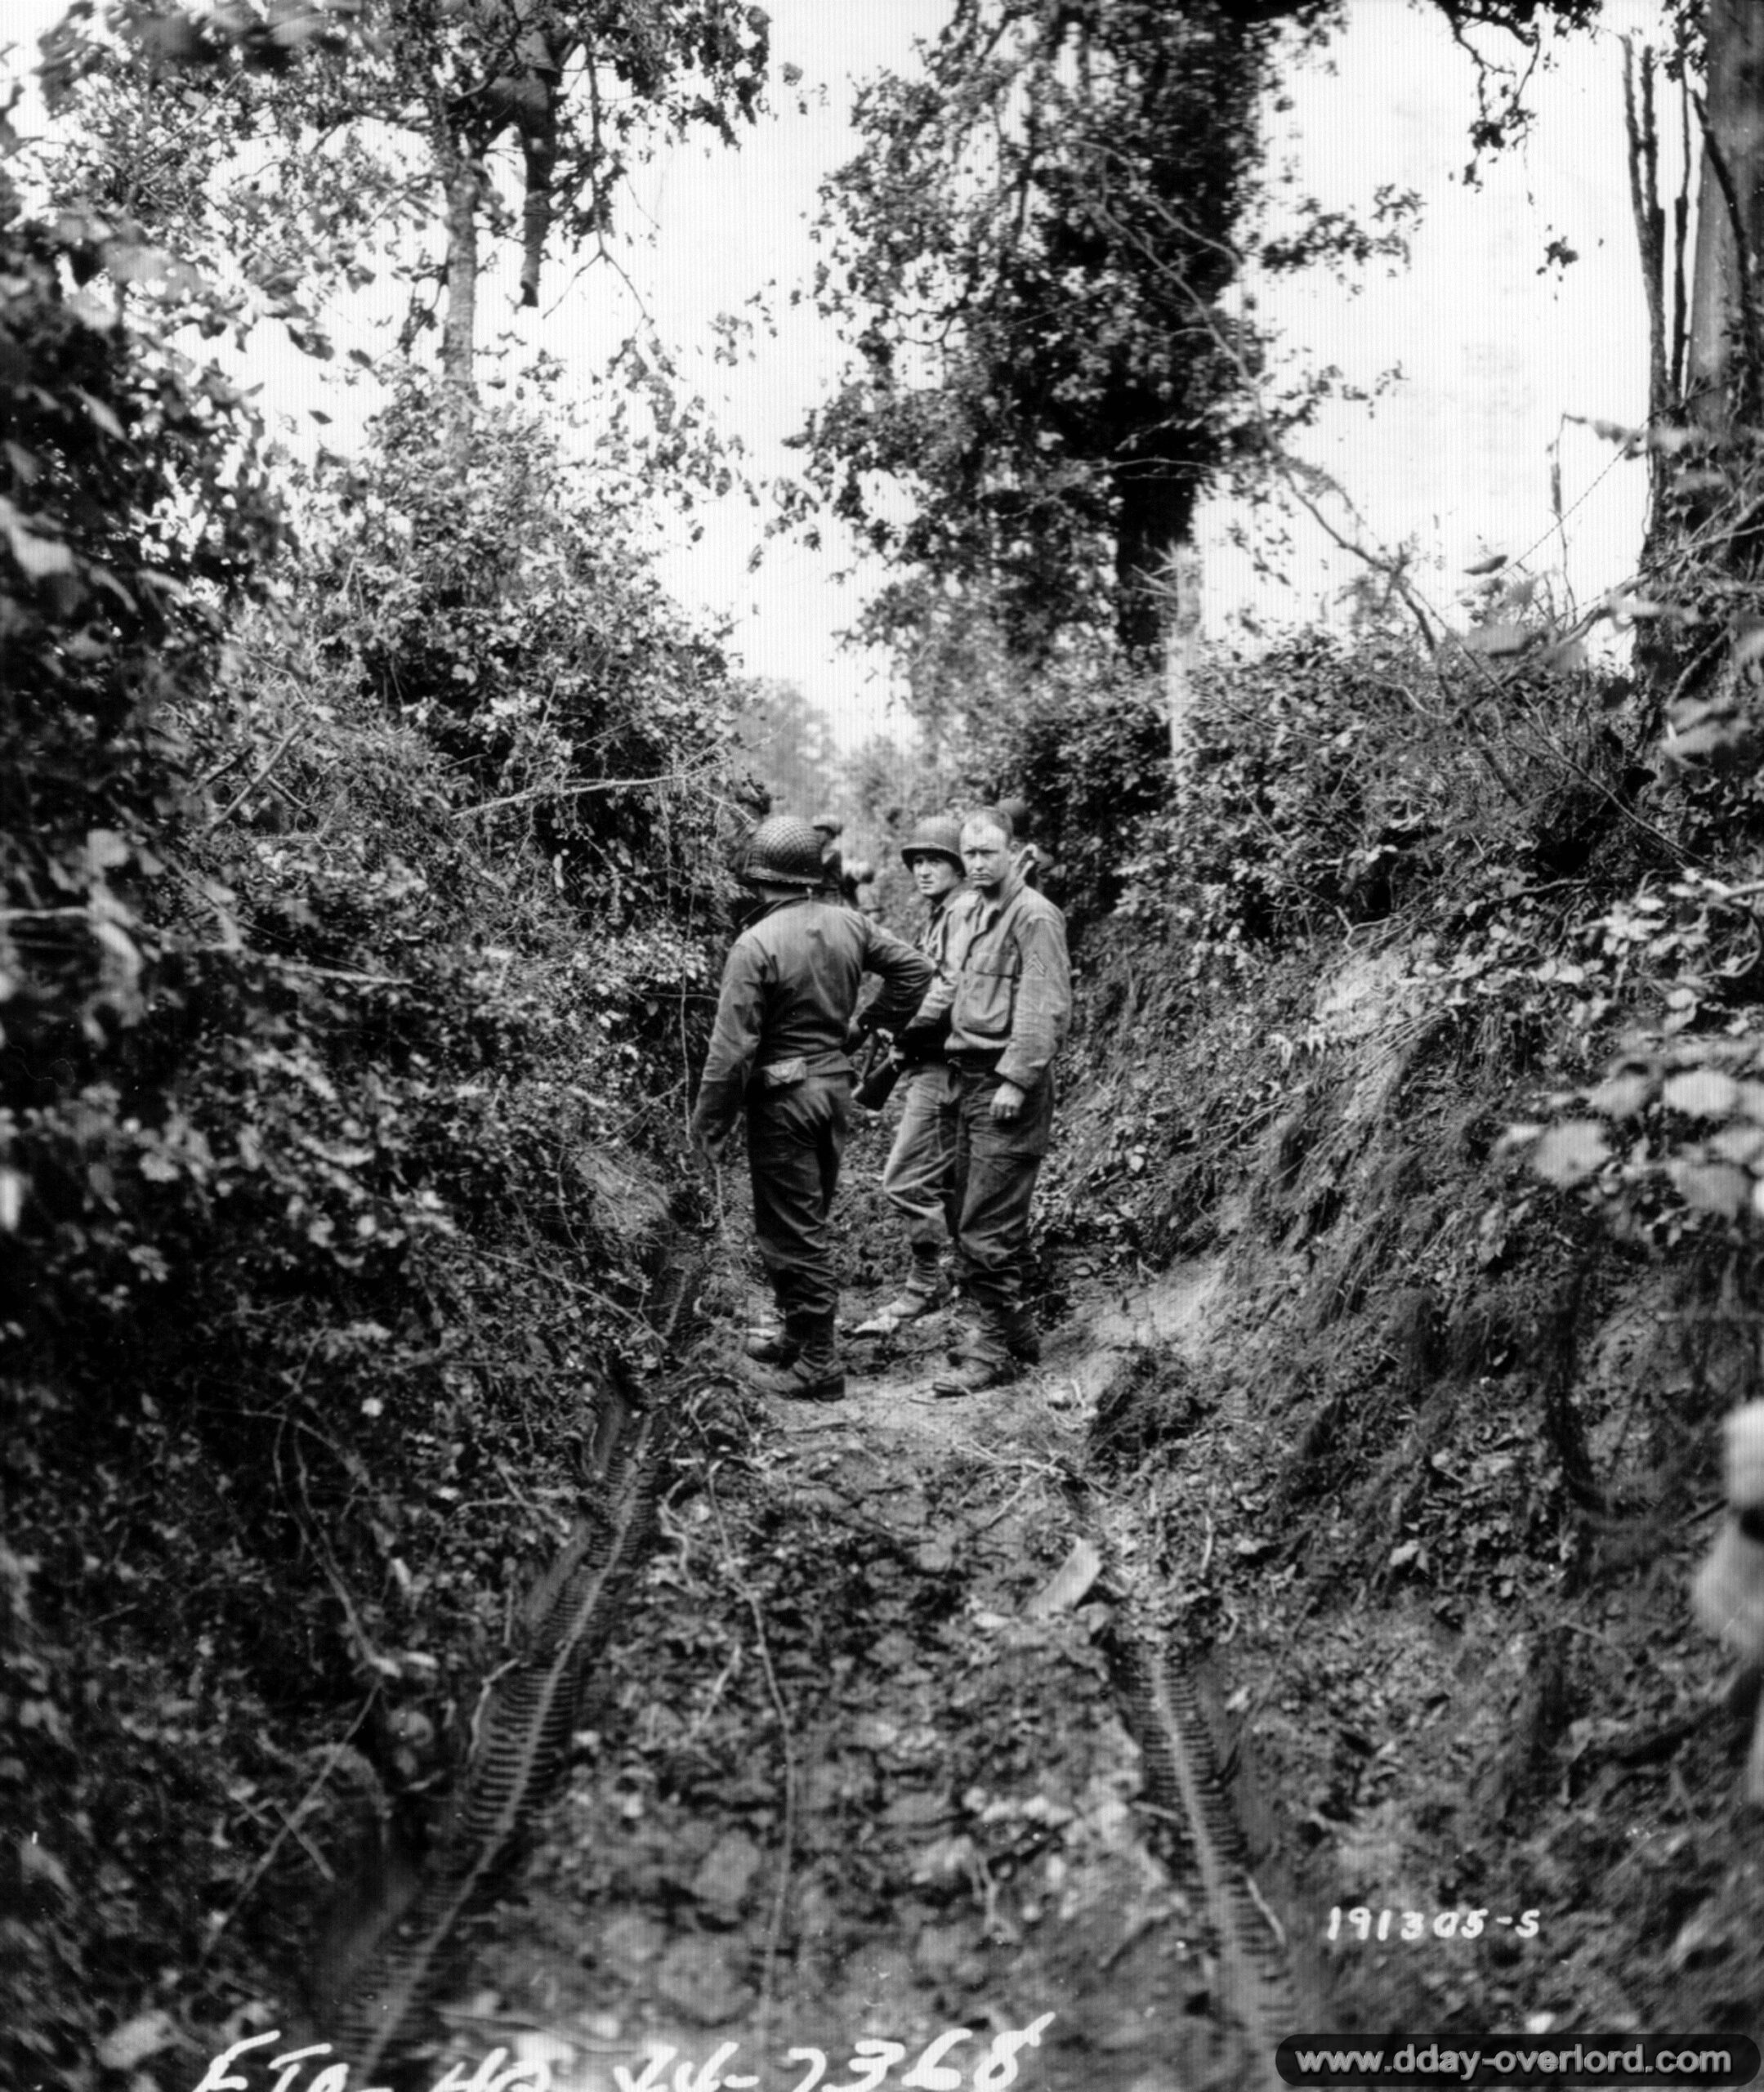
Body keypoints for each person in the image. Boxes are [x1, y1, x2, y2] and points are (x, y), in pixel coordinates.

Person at [690, 813, 932, 1401]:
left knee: (791, 1232)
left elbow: (731, 1051)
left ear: (757, 877)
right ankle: (800, 1336)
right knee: (807, 1218)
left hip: (783, 1100)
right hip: (832, 1092)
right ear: (810, 873)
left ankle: (819, 1364)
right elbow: (917, 971)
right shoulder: (849, 922)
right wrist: (864, 1026)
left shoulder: (755, 944)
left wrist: (708, 1128)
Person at [901, 806, 1071, 1397]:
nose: (975, 864)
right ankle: (1015, 1329)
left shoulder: (1034, 916)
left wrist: (1017, 1080)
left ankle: (993, 1348)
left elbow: (1043, 1004)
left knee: (985, 1226)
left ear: (1011, 852)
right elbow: (951, 989)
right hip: (967, 1079)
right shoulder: (971, 912)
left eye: (986, 853)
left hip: (1005, 1089)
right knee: (965, 1210)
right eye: (968, 854)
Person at [863, 814, 971, 1330]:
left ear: (959, 866)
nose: (924, 871)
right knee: (946, 1180)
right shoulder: (941, 913)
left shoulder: (962, 912)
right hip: (938, 1059)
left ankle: (923, 1286)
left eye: (936, 861)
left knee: (904, 1180)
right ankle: (959, 1280)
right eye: (919, 862)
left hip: (944, 1064)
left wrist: (905, 1032)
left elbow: (948, 989)